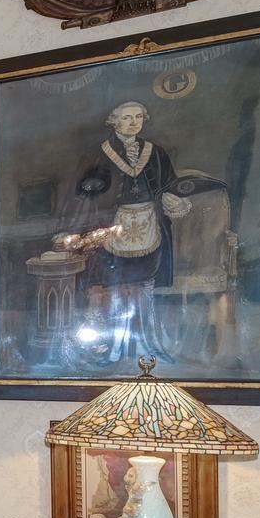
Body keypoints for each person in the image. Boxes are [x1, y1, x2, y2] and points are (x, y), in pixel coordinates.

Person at [53, 99, 225, 367]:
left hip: (149, 225)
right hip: (114, 229)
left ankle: (150, 343)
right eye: (126, 118)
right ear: (114, 121)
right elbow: (84, 195)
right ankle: (115, 348)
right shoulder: (98, 153)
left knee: (146, 286)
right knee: (118, 287)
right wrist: (71, 230)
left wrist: (173, 199)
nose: (132, 122)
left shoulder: (155, 152)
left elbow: (168, 185)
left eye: (137, 117)